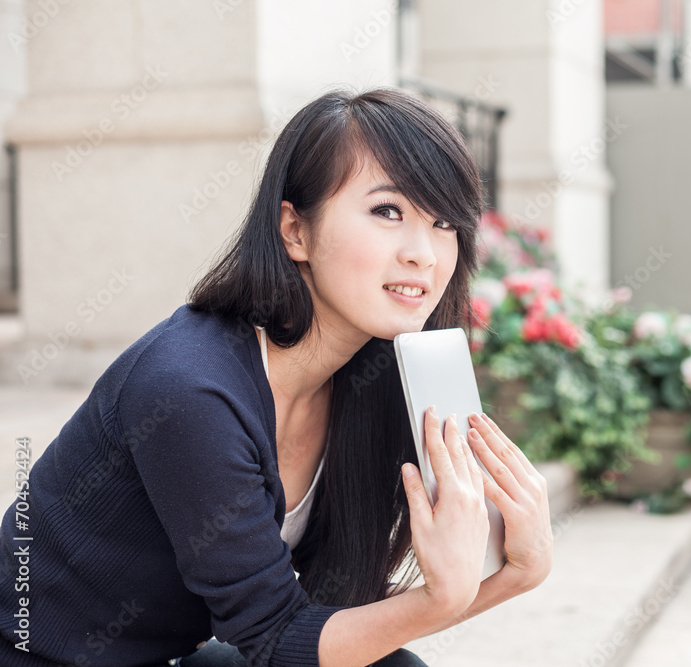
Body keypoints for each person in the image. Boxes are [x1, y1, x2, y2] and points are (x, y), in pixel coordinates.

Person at [0, 87, 554, 667]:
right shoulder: (191, 389)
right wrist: (443, 599)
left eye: (443, 222)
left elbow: (327, 615)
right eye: (388, 211)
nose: (425, 253)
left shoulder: (377, 375)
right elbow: (276, 643)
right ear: (295, 231)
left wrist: (514, 574)